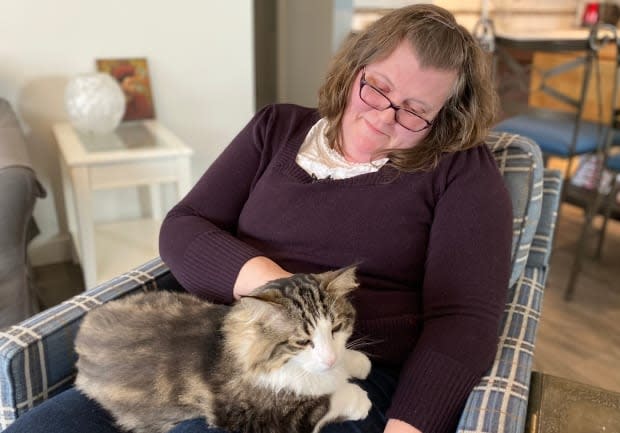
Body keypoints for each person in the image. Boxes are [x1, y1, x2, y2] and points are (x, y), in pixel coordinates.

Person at [4, 4, 512, 433]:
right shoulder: (277, 127)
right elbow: (184, 226)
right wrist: (278, 290)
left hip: (341, 371)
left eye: (413, 112)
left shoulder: (463, 173)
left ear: (444, 117)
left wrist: (407, 426)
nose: (381, 117)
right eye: (375, 88)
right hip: (207, 344)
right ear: (354, 67)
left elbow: (463, 320)